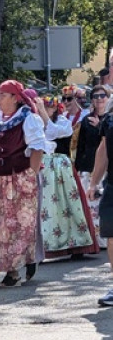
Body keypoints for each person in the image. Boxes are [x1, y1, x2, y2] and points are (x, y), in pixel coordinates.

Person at [0, 81, 45, 287]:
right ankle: (17, 264)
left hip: (17, 178)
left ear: (15, 98)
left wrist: (30, 175)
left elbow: (37, 148)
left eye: (3, 94)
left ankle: (13, 270)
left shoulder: (28, 118)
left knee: (15, 225)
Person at [36, 96, 99, 259]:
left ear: (56, 109)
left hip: (61, 167)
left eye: (50, 107)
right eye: (44, 107)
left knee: (70, 206)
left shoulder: (63, 122)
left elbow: (53, 133)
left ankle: (77, 245)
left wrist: (43, 114)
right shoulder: (36, 124)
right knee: (46, 208)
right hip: (43, 168)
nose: (47, 110)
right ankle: (45, 247)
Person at [75, 85, 112, 248]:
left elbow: (105, 144)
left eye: (102, 95)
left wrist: (100, 127)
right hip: (90, 165)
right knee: (91, 207)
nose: (98, 99)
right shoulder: (86, 120)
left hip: (108, 169)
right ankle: (96, 241)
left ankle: (104, 240)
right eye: (95, 96)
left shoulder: (108, 120)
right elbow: (81, 145)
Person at [88, 110, 113, 306]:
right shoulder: (110, 119)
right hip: (112, 184)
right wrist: (94, 183)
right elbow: (103, 149)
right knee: (111, 235)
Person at [61, 85, 89, 160]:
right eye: (64, 99)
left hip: (80, 154)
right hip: (65, 155)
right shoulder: (61, 117)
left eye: (69, 99)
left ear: (76, 100)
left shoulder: (85, 115)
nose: (66, 102)